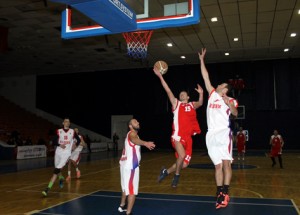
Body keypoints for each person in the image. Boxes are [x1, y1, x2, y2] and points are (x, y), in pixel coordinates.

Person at [198, 48, 238, 209]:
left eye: (221, 84)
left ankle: (225, 191)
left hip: (223, 133)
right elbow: (205, 77)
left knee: (226, 163)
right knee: (217, 166)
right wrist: (202, 60)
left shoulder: (231, 100)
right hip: (211, 135)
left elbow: (235, 113)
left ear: (225, 88)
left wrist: (229, 103)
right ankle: (219, 191)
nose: (218, 84)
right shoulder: (213, 93)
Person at [153, 65, 204, 188]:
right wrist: (160, 76)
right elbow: (168, 90)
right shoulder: (176, 104)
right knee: (181, 156)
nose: (181, 95)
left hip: (188, 138)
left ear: (188, 97)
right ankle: (176, 177)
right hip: (177, 136)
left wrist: (201, 93)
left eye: (183, 94)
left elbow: (201, 103)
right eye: (180, 94)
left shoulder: (192, 105)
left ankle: (166, 172)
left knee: (184, 164)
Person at [118, 118, 155, 215]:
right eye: (135, 122)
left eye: (138, 121)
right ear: (130, 126)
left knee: (125, 188)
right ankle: (128, 213)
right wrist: (145, 143)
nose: (138, 122)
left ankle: (122, 205)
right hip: (131, 167)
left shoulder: (128, 134)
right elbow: (134, 140)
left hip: (124, 165)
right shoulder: (132, 134)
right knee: (132, 191)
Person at [42, 118, 81, 197]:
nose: (67, 122)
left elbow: (78, 140)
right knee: (56, 167)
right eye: (66, 121)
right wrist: (59, 145)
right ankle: (61, 177)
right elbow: (53, 141)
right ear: (63, 123)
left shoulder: (72, 131)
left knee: (56, 170)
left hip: (66, 154)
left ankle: (47, 189)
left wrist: (75, 145)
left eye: (69, 121)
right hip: (58, 152)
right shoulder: (59, 131)